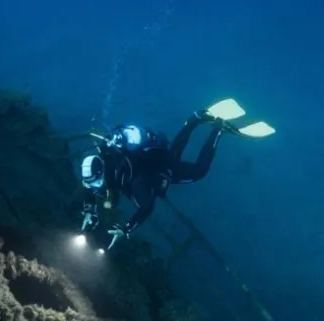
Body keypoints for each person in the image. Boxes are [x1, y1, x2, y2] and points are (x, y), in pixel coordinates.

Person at [78, 98, 274, 250]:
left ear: (103, 174)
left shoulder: (135, 182)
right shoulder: (107, 156)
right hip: (156, 157)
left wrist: (127, 228)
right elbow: (90, 187)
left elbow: (146, 207)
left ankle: (217, 129)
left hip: (160, 169)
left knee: (199, 171)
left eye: (96, 184)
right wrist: (89, 210)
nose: (95, 188)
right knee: (173, 152)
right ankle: (193, 120)